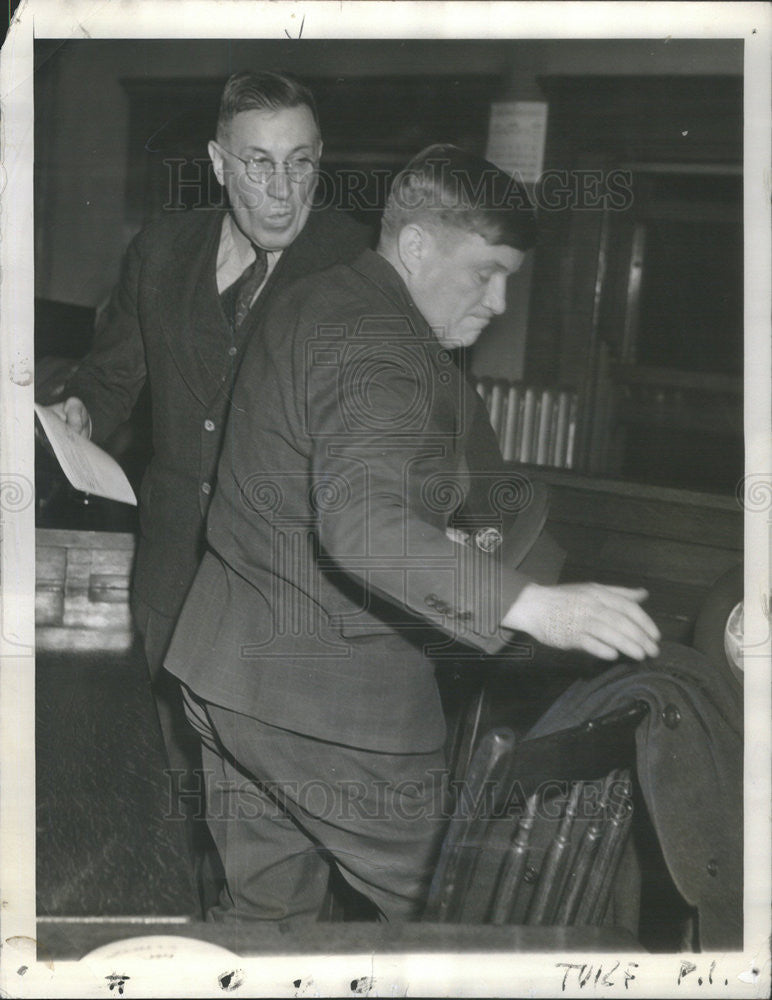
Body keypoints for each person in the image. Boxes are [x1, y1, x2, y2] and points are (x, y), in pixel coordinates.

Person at [163, 144, 661, 924]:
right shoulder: (379, 339)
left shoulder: (322, 298)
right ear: (417, 245)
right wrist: (540, 608)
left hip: (232, 678)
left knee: (267, 928)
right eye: (486, 272)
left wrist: (507, 564)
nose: (498, 303)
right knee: (475, 920)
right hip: (331, 708)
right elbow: (363, 525)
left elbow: (377, 486)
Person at [38, 71, 372, 901]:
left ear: (320, 162)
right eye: (259, 164)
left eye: (299, 163)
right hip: (169, 576)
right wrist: (78, 408)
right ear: (220, 164)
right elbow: (116, 374)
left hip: (280, 593)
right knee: (160, 792)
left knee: (260, 834)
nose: (281, 188)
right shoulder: (164, 248)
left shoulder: (353, 263)